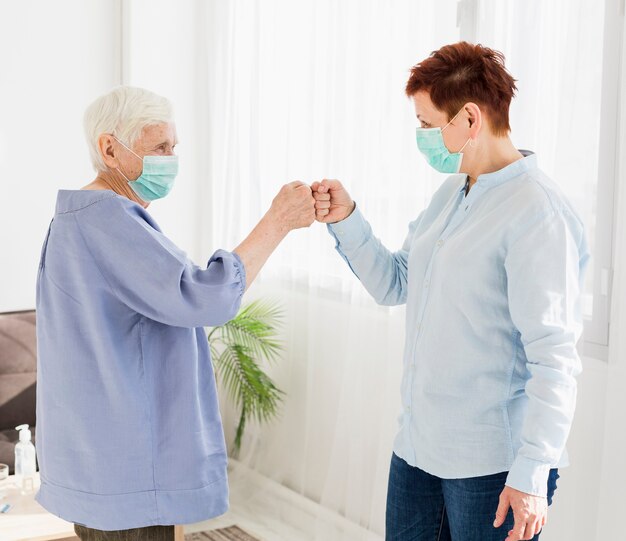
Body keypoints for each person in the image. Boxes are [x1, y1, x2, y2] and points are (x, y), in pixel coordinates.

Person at [312, 42, 588, 541]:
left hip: (493, 467)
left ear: (468, 117)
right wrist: (347, 219)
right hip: (418, 450)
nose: (421, 136)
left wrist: (531, 475)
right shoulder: (452, 192)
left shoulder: (537, 213)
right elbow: (397, 282)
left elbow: (555, 358)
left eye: (425, 123)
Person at [35, 86, 315, 541]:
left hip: (94, 463)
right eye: (159, 147)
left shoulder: (73, 219)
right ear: (109, 148)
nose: (171, 158)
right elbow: (205, 298)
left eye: (173, 147)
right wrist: (278, 220)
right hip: (132, 472)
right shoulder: (109, 219)